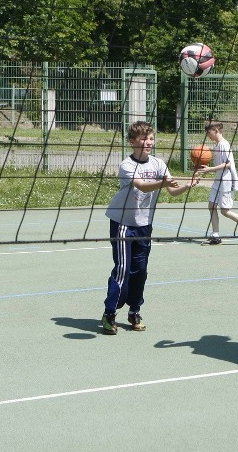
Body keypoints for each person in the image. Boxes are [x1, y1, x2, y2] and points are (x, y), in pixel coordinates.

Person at [101, 121, 198, 335]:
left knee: (141, 271)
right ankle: (109, 313)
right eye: (144, 139)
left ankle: (134, 311)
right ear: (132, 142)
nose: (148, 143)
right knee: (123, 269)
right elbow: (142, 186)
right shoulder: (127, 165)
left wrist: (186, 185)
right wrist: (164, 183)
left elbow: (172, 190)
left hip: (145, 224)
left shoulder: (158, 164)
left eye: (151, 139)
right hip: (123, 223)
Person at [194, 120, 238, 245]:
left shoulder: (224, 144)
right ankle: (215, 235)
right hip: (219, 180)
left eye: (209, 132)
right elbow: (219, 166)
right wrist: (205, 170)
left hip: (226, 182)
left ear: (216, 130)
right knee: (211, 206)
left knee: (225, 211)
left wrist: (210, 169)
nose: (208, 135)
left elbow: (228, 164)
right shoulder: (217, 146)